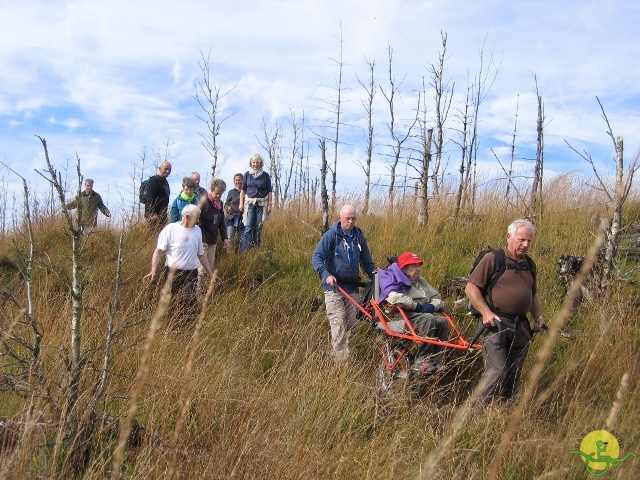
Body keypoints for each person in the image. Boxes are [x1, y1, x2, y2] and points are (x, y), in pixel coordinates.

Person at [465, 218, 547, 404]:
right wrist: (485, 312)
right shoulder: (493, 259)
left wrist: (538, 317)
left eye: (529, 241)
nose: (525, 245)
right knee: (496, 370)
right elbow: (471, 288)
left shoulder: (529, 264)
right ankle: (476, 413)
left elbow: (533, 295)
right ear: (509, 236)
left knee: (514, 372)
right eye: (521, 240)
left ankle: (503, 410)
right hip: (495, 323)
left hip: (521, 326)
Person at [311, 205, 376, 362]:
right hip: (334, 287)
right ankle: (340, 362)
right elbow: (317, 257)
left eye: (353, 218)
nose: (351, 221)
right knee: (338, 323)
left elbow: (367, 263)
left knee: (353, 324)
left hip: (352, 287)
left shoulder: (359, 238)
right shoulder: (331, 235)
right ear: (340, 218)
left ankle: (350, 356)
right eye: (347, 218)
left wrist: (377, 276)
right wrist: (326, 275)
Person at [378, 251, 450, 374]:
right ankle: (421, 361)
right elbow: (393, 297)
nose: (418, 269)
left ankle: (437, 361)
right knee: (428, 318)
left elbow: (437, 297)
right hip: (400, 316)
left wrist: (432, 305)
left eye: (419, 266)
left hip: (420, 315)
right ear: (405, 268)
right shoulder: (393, 278)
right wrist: (417, 306)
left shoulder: (421, 281)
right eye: (415, 266)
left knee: (442, 321)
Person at [143, 204, 213, 323]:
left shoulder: (197, 231)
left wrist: (210, 273)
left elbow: (201, 254)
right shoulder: (170, 229)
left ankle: (185, 326)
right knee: (172, 300)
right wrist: (153, 270)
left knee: (188, 299)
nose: (199, 220)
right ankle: (173, 327)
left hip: (191, 273)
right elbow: (158, 251)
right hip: (172, 272)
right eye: (197, 218)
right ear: (187, 217)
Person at [198, 178, 229, 290]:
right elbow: (197, 219)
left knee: (209, 267)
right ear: (211, 190)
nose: (218, 196)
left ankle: (205, 291)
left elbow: (221, 222)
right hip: (202, 239)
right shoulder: (204, 202)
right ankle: (197, 293)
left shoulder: (219, 204)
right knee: (202, 268)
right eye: (216, 194)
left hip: (213, 240)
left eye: (220, 194)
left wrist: (225, 238)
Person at [238, 154, 272, 253]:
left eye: (257, 162)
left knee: (258, 227)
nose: (255, 164)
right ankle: (243, 251)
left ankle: (256, 250)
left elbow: (269, 190)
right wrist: (241, 203)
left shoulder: (265, 175)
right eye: (254, 162)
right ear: (251, 163)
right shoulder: (247, 175)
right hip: (250, 203)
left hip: (261, 204)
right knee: (248, 227)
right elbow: (243, 190)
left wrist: (270, 204)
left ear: (261, 163)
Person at [145, 161, 172, 232]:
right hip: (154, 216)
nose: (168, 171)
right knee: (153, 237)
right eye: (165, 169)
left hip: (162, 216)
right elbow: (149, 198)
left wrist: (165, 217)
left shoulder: (165, 182)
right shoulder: (154, 180)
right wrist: (151, 214)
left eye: (169, 170)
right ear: (160, 168)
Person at [224, 173, 244, 253]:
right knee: (229, 238)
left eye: (239, 180)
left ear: (242, 181)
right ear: (234, 181)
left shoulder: (245, 192)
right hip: (230, 218)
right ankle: (229, 255)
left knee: (241, 238)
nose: (238, 182)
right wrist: (227, 208)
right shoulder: (231, 192)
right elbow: (226, 204)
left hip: (241, 218)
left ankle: (239, 255)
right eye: (236, 180)